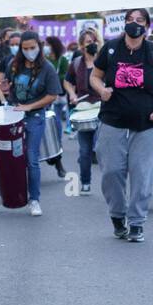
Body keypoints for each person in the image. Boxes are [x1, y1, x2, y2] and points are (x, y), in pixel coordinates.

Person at [90, 8, 153, 242]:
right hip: (113, 121)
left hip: (147, 125)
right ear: (124, 24)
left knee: (142, 176)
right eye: (130, 19)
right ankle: (117, 216)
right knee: (111, 172)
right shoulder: (110, 49)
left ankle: (136, 223)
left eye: (139, 20)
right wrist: (102, 90)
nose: (134, 23)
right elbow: (94, 76)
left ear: (147, 25)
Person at [0, 30, 61, 216]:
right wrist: (5, 90)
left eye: (33, 48)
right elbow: (6, 86)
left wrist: (30, 107)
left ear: (39, 46)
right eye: (25, 48)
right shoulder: (13, 64)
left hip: (34, 117)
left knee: (31, 158)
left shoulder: (48, 68)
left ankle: (34, 200)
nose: (29, 51)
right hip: (13, 114)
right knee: (1, 155)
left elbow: (52, 95)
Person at [64, 27, 103, 194]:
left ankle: (111, 183)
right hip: (83, 110)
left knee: (103, 149)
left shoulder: (104, 60)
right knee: (84, 150)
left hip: (102, 109)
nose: (92, 44)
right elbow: (67, 82)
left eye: (94, 41)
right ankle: (85, 181)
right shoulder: (76, 63)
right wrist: (72, 93)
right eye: (88, 42)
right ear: (81, 46)